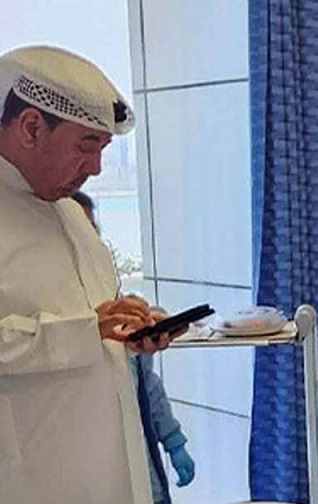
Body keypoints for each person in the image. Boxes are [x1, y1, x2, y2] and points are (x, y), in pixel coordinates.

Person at [0, 45, 174, 503]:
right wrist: (84, 331)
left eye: (103, 149)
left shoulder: (72, 215)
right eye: (85, 146)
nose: (96, 168)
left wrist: (132, 330)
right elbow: (80, 328)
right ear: (31, 126)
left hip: (115, 471)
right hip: (30, 478)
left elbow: (96, 323)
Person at [73, 190, 196, 504]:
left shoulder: (120, 314)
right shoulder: (63, 323)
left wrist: (173, 440)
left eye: (92, 229)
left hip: (141, 467)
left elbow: (148, 386)